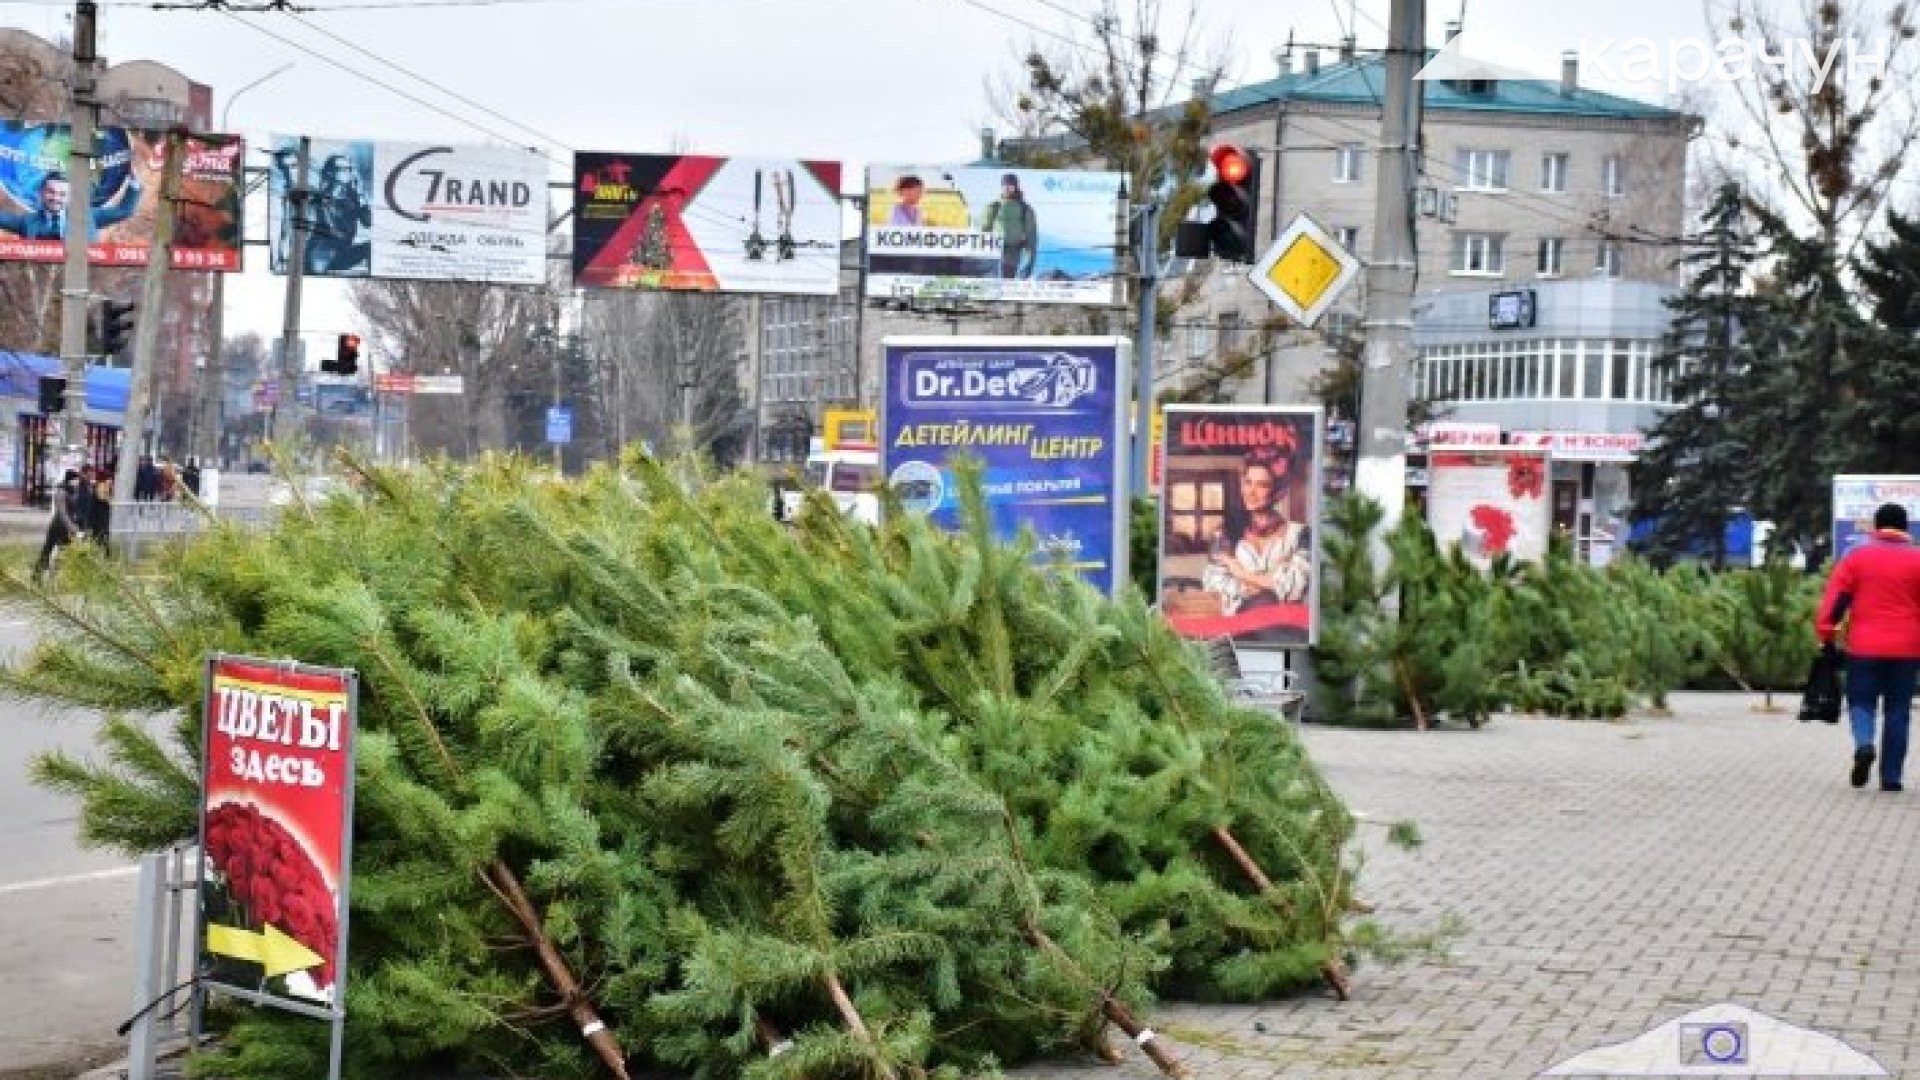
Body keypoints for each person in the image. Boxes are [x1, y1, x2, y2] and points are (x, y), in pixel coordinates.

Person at [1816, 502, 1920, 792]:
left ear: (1876, 526)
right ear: (1905, 528)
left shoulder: (1856, 558)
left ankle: (1864, 744)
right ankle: (1891, 778)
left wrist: (1826, 633)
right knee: (1898, 710)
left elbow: (1836, 602)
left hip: (1864, 646)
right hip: (1908, 648)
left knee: (1861, 702)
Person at [1203, 445, 1312, 614]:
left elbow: (1294, 588)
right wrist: (1270, 583)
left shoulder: (1301, 535)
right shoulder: (1226, 533)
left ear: (1279, 492)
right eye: (1248, 482)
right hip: (1239, 629)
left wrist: (1240, 573)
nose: (1250, 492)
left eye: (1262, 485)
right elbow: (1213, 585)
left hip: (1286, 631)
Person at [0, 170, 141, 241]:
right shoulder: (27, 221)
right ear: (42, 193)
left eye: (62, 194)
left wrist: (134, 183)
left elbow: (124, 211)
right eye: (51, 192)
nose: (56, 198)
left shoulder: (89, 216)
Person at [308, 154, 372, 274]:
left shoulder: (353, 196)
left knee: (373, 248)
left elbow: (368, 223)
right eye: (342, 169)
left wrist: (361, 196)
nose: (348, 172)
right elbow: (328, 230)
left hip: (343, 253)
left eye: (349, 168)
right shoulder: (320, 198)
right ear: (330, 172)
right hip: (321, 254)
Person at [981, 172, 1039, 279]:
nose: (1007, 188)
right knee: (991, 286)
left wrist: (1030, 261)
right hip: (993, 254)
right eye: (1004, 185)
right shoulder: (994, 206)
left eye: (1010, 185)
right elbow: (983, 231)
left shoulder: (1025, 209)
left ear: (1015, 187)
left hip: (1012, 254)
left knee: (1007, 283)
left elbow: (1031, 236)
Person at [33, 470, 81, 583]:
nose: (77, 482)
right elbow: (62, 513)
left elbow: (72, 511)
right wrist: (72, 527)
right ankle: (36, 576)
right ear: (71, 479)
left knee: (66, 552)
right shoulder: (61, 492)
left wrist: (75, 524)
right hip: (57, 527)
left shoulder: (72, 491)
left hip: (66, 528)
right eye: (76, 479)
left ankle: (55, 577)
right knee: (47, 551)